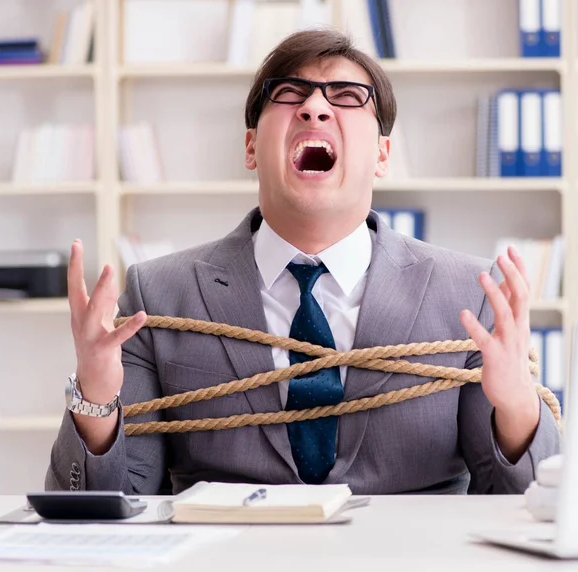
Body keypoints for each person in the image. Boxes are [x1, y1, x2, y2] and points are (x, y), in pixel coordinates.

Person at [45, 28, 560, 496]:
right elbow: (109, 504)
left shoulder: (469, 295)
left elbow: (520, 504)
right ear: (251, 147)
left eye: (347, 97)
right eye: (289, 93)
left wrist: (517, 409)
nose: (314, 107)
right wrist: (95, 398)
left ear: (383, 154)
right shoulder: (157, 294)